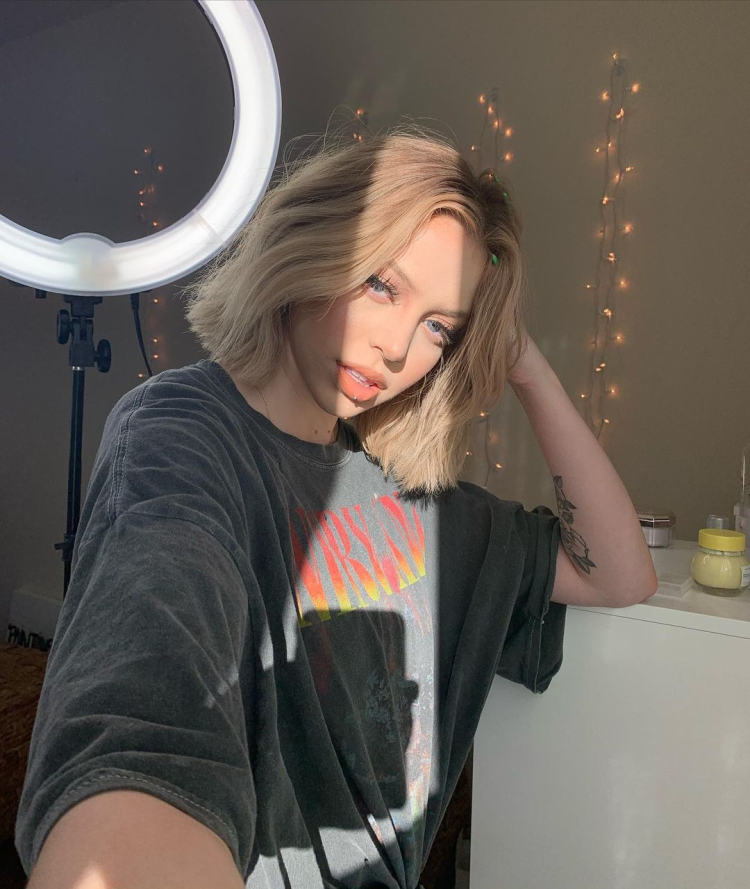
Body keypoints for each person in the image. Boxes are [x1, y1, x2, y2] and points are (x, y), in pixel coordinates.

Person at [15, 123, 655, 889]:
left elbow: (619, 573)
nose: (397, 347)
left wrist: (523, 361)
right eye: (382, 285)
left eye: (439, 328)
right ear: (310, 244)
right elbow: (145, 724)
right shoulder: (181, 434)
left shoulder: (422, 501)